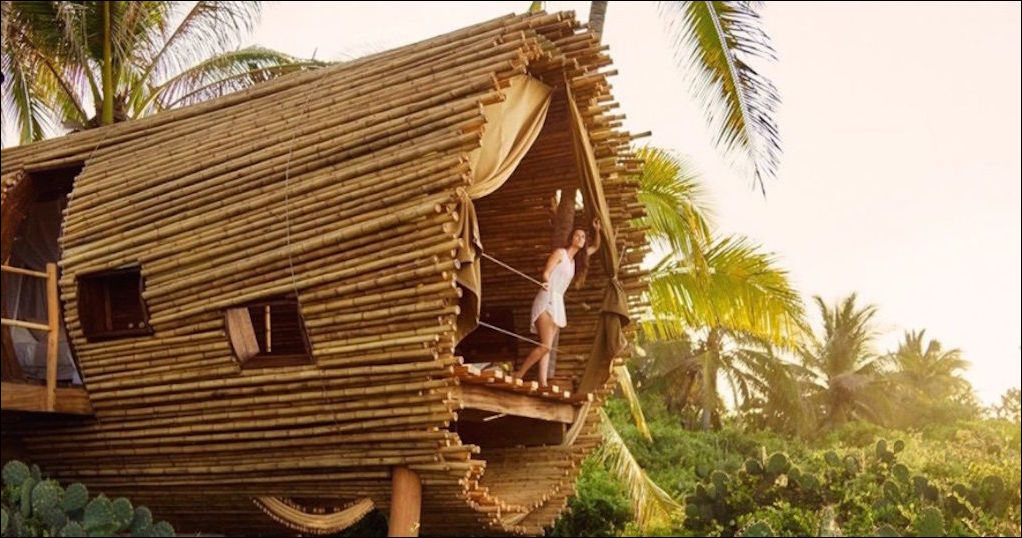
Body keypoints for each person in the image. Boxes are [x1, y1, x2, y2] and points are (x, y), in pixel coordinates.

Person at [513, 217, 602, 387]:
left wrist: (597, 230)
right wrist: (546, 281)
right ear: (571, 238)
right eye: (577, 235)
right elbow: (547, 271)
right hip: (547, 297)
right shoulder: (560, 253)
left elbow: (596, 247)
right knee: (546, 346)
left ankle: (542, 382)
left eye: (583, 237)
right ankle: (519, 374)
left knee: (547, 347)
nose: (580, 238)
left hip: (558, 302)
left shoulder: (575, 261)